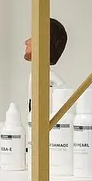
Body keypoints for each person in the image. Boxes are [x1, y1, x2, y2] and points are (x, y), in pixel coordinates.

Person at [25, 16, 69, 151]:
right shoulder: (36, 74)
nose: (26, 42)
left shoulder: (49, 78)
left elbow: (62, 91)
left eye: (32, 37)